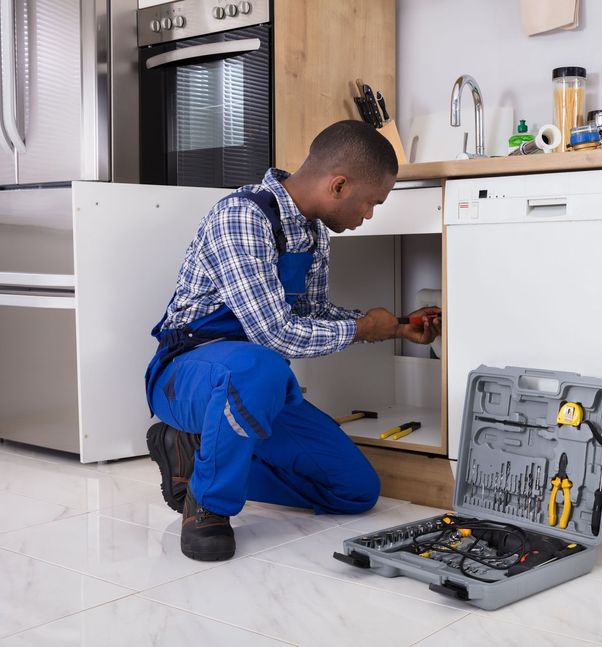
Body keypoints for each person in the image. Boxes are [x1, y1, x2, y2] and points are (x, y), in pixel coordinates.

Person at [144, 120, 440, 562]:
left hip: (254, 388)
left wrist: (395, 326)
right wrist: (362, 329)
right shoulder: (242, 216)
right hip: (188, 374)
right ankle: (207, 507)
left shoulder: (312, 230)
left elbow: (310, 315)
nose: (370, 215)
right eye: (370, 203)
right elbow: (274, 331)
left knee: (354, 490)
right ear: (339, 185)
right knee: (263, 366)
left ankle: (194, 455)